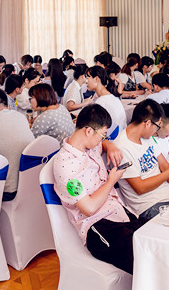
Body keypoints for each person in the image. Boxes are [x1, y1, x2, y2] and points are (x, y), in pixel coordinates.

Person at [52, 104, 144, 274]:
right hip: (98, 226)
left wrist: (110, 146)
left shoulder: (91, 146)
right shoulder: (66, 165)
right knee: (144, 259)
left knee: (155, 239)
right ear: (88, 131)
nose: (102, 140)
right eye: (103, 135)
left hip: (120, 212)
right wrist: (111, 181)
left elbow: (102, 145)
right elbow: (89, 208)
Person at [112, 100, 169, 221]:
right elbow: (140, 188)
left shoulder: (146, 137)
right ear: (147, 123)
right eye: (157, 126)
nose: (156, 130)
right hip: (149, 206)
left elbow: (165, 167)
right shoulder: (122, 148)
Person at [86, 65, 126, 140]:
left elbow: (96, 128)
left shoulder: (101, 102)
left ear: (97, 79)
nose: (86, 81)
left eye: (88, 77)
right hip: (120, 138)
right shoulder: (113, 97)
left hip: (111, 141)